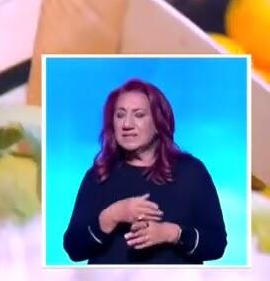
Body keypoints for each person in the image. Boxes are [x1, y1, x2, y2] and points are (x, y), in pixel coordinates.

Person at [61, 78, 228, 265]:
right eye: (120, 115)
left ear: (158, 123)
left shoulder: (191, 172)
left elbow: (216, 244)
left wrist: (171, 233)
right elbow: (73, 249)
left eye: (139, 115)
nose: (127, 124)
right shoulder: (99, 175)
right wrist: (112, 215)